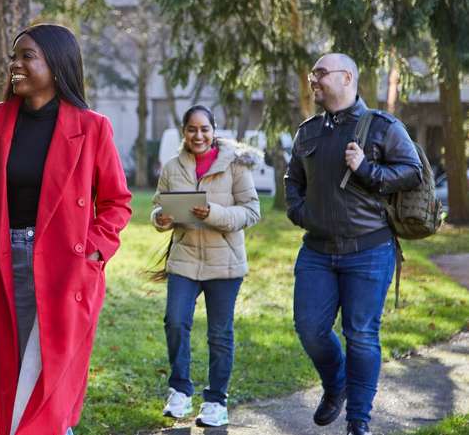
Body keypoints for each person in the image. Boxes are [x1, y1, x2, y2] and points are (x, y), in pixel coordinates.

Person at [0, 24, 132, 435]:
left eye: (26, 56)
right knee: (20, 365)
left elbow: (116, 201)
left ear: (56, 66)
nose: (15, 65)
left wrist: (92, 250)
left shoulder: (92, 127)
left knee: (56, 368)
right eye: (13, 57)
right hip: (8, 258)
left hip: (68, 264)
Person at [285, 53, 422, 435]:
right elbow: (292, 179)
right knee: (309, 328)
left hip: (370, 250)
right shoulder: (308, 131)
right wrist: (300, 213)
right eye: (313, 73)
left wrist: (366, 170)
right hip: (316, 250)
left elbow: (412, 173)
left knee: (361, 334)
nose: (314, 80)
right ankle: (337, 383)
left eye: (320, 73)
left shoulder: (382, 127)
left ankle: (358, 420)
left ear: (346, 78)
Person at [150, 104, 261, 427]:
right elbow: (158, 207)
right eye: (191, 129)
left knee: (219, 334)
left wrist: (213, 213)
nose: (198, 136)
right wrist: (162, 219)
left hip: (224, 263)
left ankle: (216, 401)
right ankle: (180, 391)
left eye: (204, 129)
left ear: (214, 131)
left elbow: (251, 212)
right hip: (184, 260)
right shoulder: (172, 167)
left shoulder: (236, 166)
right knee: (175, 321)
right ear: (184, 132)